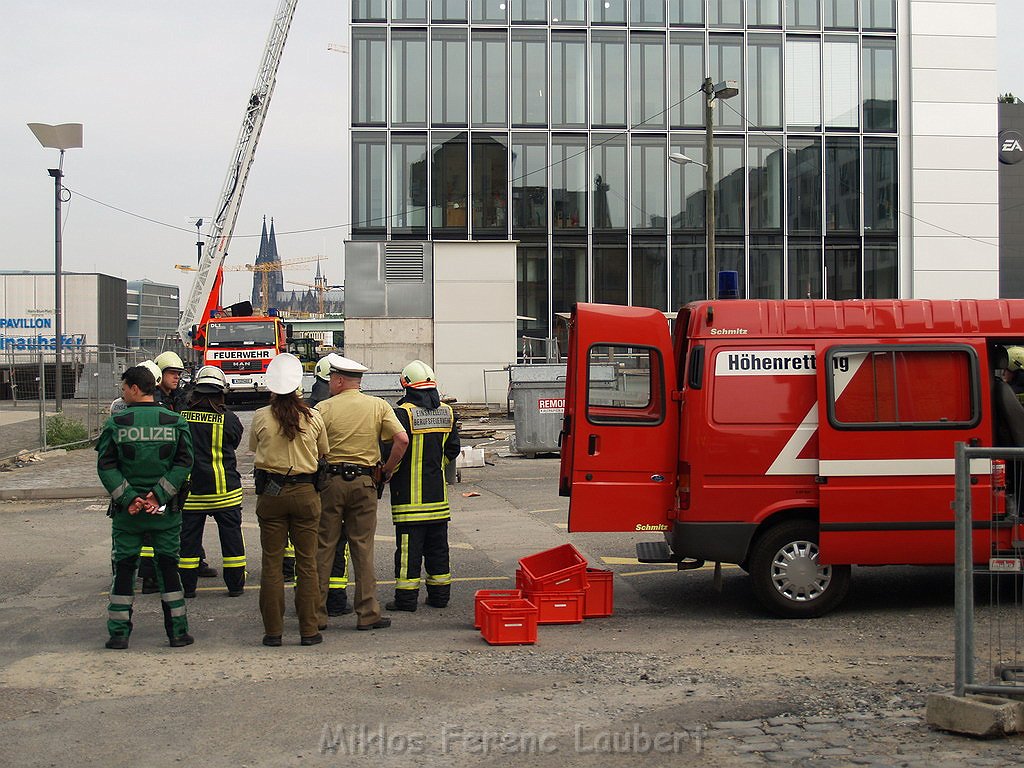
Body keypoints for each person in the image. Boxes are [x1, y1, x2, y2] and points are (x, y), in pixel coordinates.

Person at [96, 364, 194, 649]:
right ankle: (177, 632)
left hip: (129, 514)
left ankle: (118, 634)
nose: (123, 392)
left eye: (124, 387)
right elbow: (184, 464)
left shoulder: (117, 423)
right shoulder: (175, 421)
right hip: (165, 512)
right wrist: (158, 496)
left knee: (125, 569)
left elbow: (106, 466)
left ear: (135, 389)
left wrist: (130, 498)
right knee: (168, 568)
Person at [315, 353, 409, 631]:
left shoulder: (323, 408)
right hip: (366, 483)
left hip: (331, 483)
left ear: (340, 381)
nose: (330, 383)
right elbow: (401, 439)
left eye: (332, 379)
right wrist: (388, 469)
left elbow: (314, 448)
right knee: (363, 548)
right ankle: (368, 613)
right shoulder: (378, 406)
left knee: (325, 548)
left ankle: (316, 615)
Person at [250, 353, 329, 647]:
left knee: (272, 563)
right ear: (298, 387)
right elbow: (324, 453)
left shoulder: (260, 416)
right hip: (306, 493)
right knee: (307, 563)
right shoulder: (313, 417)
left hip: (271, 493)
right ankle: (309, 630)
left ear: (272, 387)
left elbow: (253, 449)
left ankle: (273, 632)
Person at [385, 360, 460, 612]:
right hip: (438, 499)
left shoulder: (402, 414)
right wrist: (435, 466)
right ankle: (440, 597)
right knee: (438, 549)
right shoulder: (447, 413)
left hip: (408, 499)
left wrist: (388, 473)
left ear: (405, 384)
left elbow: (392, 453)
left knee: (408, 551)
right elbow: (452, 450)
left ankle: (406, 600)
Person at [178, 366, 246, 598]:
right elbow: (235, 441)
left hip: (191, 493)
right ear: (221, 392)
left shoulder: (181, 417)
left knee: (188, 543)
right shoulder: (229, 419)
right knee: (232, 541)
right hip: (225, 491)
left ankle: (188, 588)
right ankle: (235, 586)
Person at [155, 350, 218, 582]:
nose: (176, 377)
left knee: (184, 520)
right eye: (171, 373)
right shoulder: (153, 399)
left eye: (178, 374)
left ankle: (193, 559)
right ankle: (154, 570)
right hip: (162, 466)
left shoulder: (179, 397)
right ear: (159, 374)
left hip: (179, 465)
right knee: (161, 521)